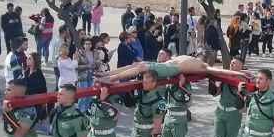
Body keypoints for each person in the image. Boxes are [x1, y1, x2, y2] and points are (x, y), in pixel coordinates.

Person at [203, 57, 247, 137]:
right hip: (220, 112)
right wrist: (211, 82)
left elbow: (245, 102)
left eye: (235, 63)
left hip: (233, 114)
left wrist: (240, 90)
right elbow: (216, 92)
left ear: (240, 66)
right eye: (232, 62)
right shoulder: (225, 77)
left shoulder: (243, 80)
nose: (232, 65)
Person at [95, 53, 251, 84]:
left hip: (170, 69)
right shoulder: (192, 57)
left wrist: (240, 72)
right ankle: (106, 73)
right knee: (136, 65)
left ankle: (112, 79)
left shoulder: (205, 66)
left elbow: (223, 71)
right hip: (167, 65)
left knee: (141, 66)